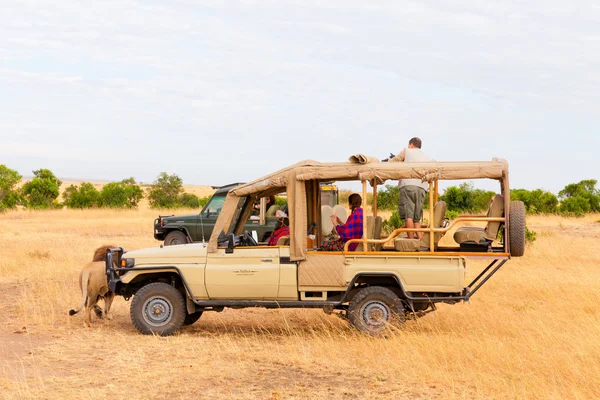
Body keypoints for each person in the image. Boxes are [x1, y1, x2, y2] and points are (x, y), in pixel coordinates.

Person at [387, 137, 433, 240]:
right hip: (422, 188)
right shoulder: (426, 157)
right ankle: (421, 241)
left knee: (409, 216)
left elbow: (394, 161)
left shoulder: (407, 151)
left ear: (411, 144)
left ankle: (411, 241)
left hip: (408, 185)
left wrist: (388, 160)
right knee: (416, 219)